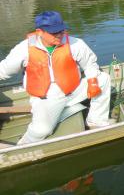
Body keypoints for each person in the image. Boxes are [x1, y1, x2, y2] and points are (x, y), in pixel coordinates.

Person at [0, 11, 112, 145]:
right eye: (54, 32)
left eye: (61, 30)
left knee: (103, 79)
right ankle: (21, 146)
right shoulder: (23, 49)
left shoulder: (76, 44)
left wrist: (93, 81)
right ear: (40, 32)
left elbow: (90, 64)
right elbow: (4, 70)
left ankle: (96, 121)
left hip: (73, 90)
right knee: (41, 131)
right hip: (47, 98)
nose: (59, 35)